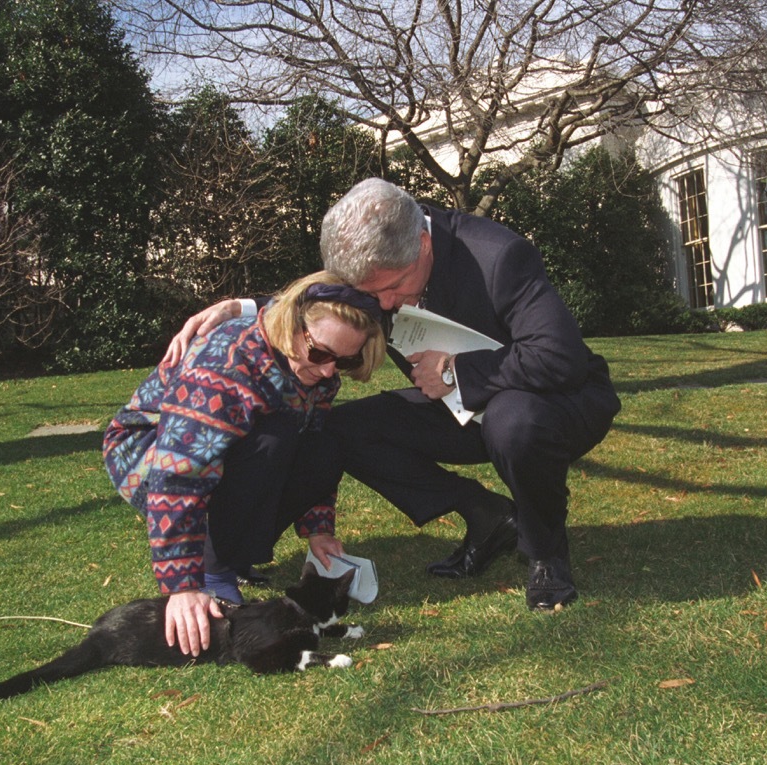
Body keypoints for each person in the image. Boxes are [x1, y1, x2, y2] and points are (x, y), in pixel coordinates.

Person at [166, 178, 620, 611]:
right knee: (341, 430)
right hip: (460, 408)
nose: (382, 305)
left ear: (422, 245)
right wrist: (241, 307)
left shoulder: (499, 256)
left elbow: (560, 356)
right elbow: (324, 304)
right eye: (370, 292)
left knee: (513, 421)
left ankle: (546, 552)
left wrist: (453, 370)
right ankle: (487, 514)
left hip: (555, 404)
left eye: (393, 288)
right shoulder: (378, 266)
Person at [105, 270, 385, 657]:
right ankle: (213, 566)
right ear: (292, 325)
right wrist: (182, 585)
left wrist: (318, 528)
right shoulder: (223, 366)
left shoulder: (318, 367)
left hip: (232, 452)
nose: (328, 371)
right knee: (273, 437)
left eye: (345, 359)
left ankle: (229, 551)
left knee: (327, 442)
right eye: (321, 354)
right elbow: (179, 474)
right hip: (152, 458)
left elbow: (313, 446)